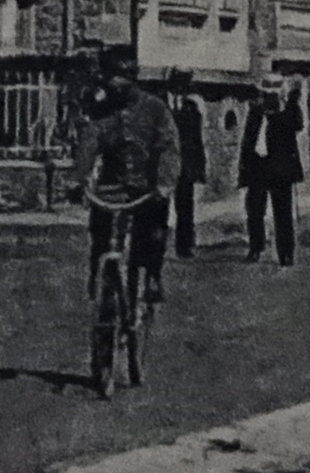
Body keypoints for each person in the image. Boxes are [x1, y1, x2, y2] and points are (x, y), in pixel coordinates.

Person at [66, 52, 175, 322]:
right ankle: (99, 276)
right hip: (112, 186)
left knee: (153, 234)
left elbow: (168, 148)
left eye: (121, 81)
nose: (115, 87)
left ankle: (152, 275)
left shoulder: (155, 108)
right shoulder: (102, 111)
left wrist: (164, 183)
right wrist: (78, 179)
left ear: (132, 79)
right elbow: (89, 144)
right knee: (100, 232)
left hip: (147, 188)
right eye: (111, 81)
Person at [238, 87, 304, 266]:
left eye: (272, 97)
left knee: (283, 213)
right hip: (257, 167)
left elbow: (298, 124)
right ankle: (255, 248)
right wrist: (244, 169)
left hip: (279, 169)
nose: (268, 101)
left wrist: (292, 102)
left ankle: (286, 253)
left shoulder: (286, 115)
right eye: (266, 96)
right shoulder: (255, 114)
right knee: (254, 211)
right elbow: (248, 141)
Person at [167, 83, 212, 260]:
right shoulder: (160, 104)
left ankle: (184, 246)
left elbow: (196, 140)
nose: (180, 89)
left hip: (185, 165)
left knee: (185, 207)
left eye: (183, 82)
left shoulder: (192, 108)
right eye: (177, 81)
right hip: (164, 164)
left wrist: (199, 167)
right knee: (158, 206)